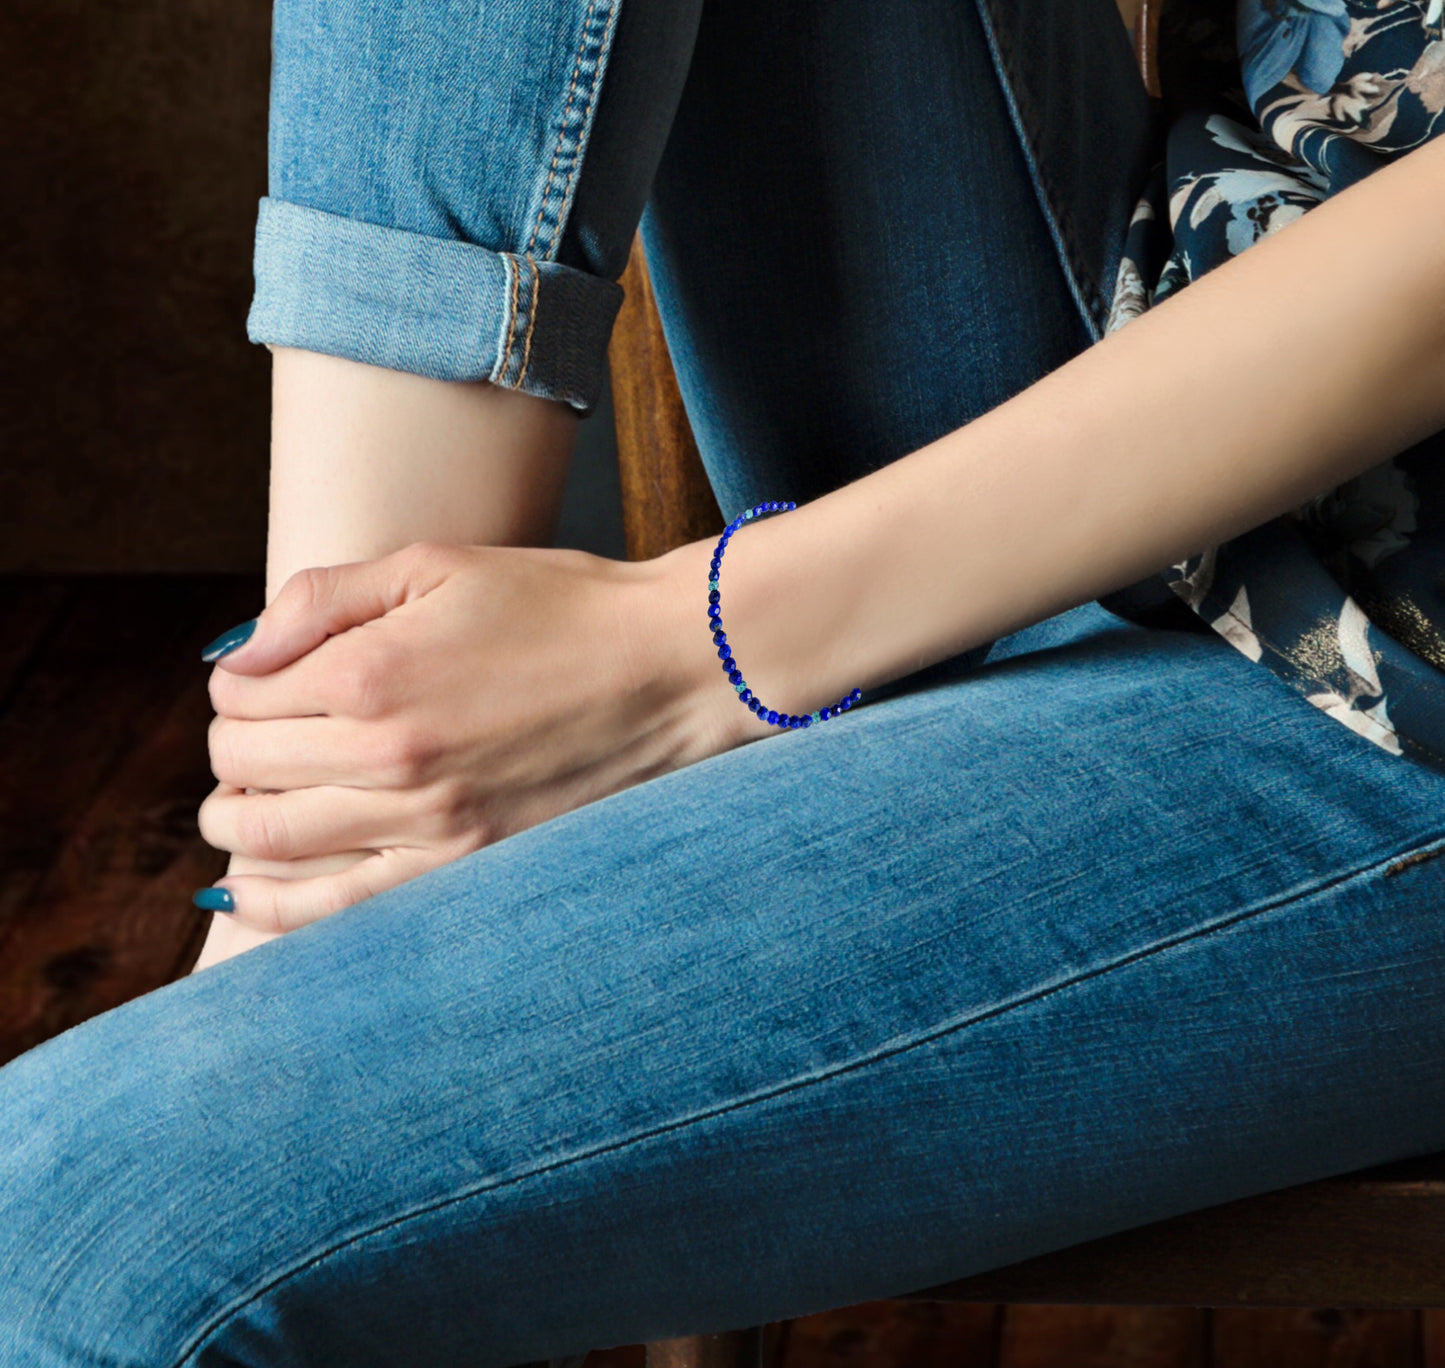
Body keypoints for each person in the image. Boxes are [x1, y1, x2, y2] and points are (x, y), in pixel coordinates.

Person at [3, 0, 1445, 1361]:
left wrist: (694, 647)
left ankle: (321, 834)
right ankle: (317, 828)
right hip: (1156, 337)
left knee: (73, 1243)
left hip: (1389, 698)